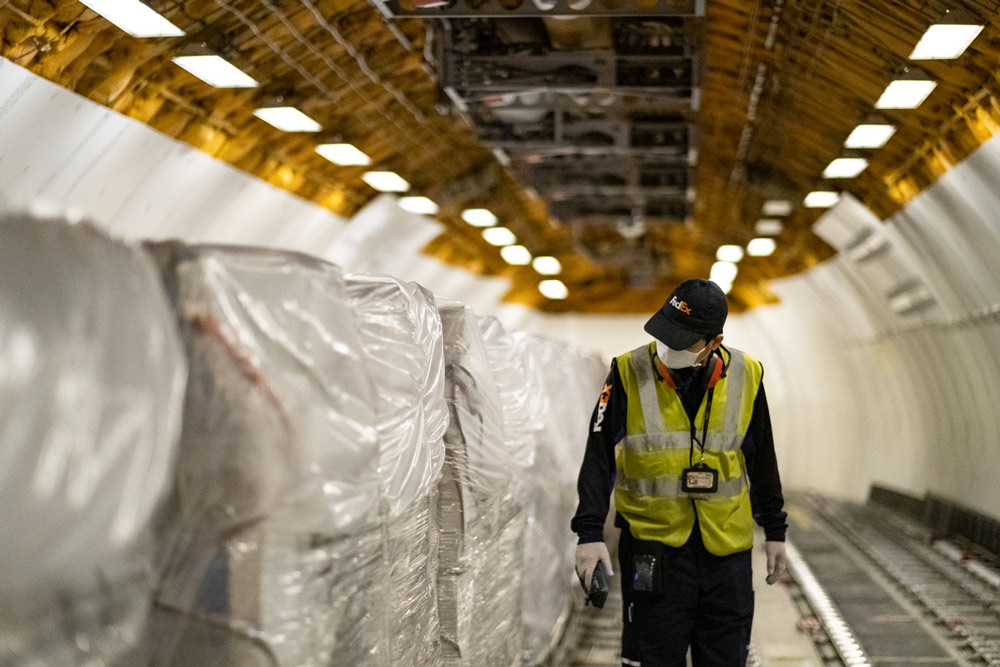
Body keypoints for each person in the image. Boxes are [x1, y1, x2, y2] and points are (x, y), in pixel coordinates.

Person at [571, 278, 788, 667]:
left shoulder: (747, 375)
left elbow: (762, 458)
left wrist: (775, 531)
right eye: (665, 333)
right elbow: (598, 454)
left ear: (714, 342)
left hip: (726, 554)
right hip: (653, 550)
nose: (669, 346)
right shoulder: (626, 372)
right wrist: (589, 533)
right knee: (651, 657)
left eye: (683, 339)